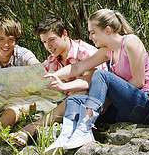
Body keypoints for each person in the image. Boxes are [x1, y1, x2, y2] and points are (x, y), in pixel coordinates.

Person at [45, 9, 149, 151]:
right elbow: (77, 68)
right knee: (74, 100)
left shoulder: (130, 41)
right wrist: (52, 78)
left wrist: (106, 97)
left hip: (144, 104)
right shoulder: (107, 51)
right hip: (123, 109)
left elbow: (138, 82)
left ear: (107, 30)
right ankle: (65, 137)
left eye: (93, 33)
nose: (90, 37)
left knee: (100, 74)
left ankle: (85, 127)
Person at [11, 15, 107, 148]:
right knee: (28, 98)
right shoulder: (52, 60)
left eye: (51, 40)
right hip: (65, 106)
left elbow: (90, 81)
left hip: (93, 106)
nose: (48, 46)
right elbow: (37, 79)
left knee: (77, 92)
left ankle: (32, 128)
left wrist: (64, 86)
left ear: (64, 34)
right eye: (44, 42)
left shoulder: (84, 51)